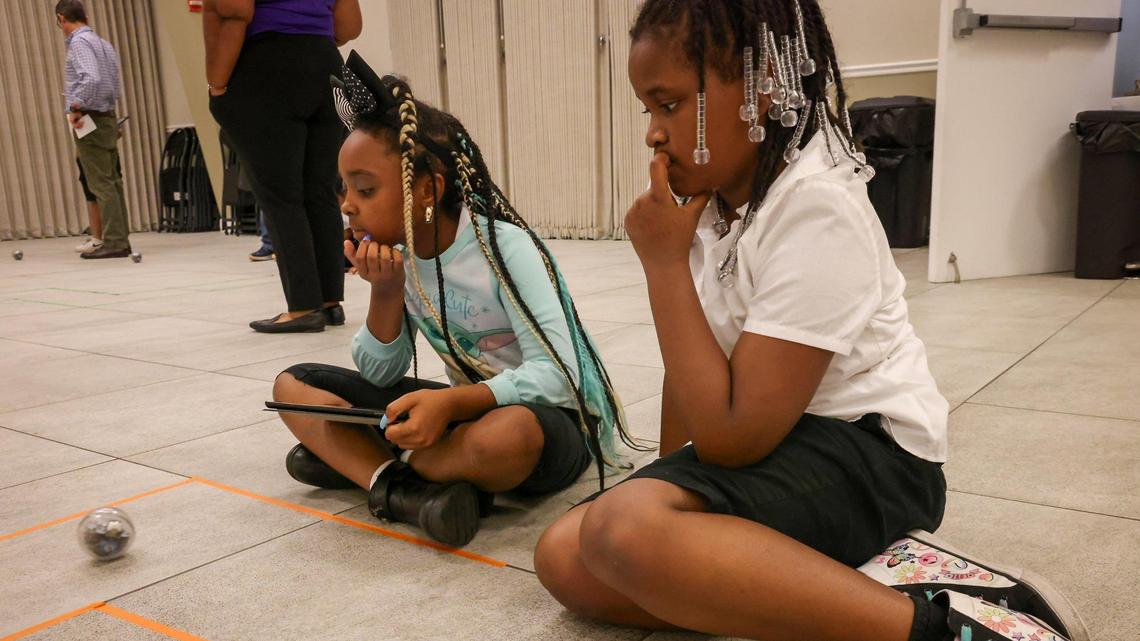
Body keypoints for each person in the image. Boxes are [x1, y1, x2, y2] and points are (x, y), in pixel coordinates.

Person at [533, 3, 1087, 641]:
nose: (654, 135)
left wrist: (664, 269)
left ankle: (946, 628)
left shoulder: (817, 205)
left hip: (873, 456)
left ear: (763, 89)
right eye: (647, 111)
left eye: (671, 105)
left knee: (624, 530)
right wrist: (674, 495)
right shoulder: (714, 208)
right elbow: (690, 371)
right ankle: (848, 588)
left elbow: (732, 439)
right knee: (566, 558)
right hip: (783, 443)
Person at [271, 53, 639, 547]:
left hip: (547, 420)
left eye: (365, 189)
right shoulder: (402, 257)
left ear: (427, 189)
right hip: (460, 414)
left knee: (505, 437)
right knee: (293, 387)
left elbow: (559, 374)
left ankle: (367, 466)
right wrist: (385, 291)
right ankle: (406, 489)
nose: (347, 205)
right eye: (344, 190)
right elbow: (380, 375)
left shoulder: (504, 247)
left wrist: (451, 403)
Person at [203, 0, 362, 332]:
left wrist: (217, 84)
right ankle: (329, 303)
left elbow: (235, 11)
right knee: (320, 190)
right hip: (326, 66)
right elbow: (349, 27)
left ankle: (303, 307)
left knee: (281, 196)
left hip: (267, 64)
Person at [56, 0, 131, 260]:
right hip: (106, 116)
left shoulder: (79, 43)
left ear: (62, 18)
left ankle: (115, 242)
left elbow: (91, 78)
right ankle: (120, 238)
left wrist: (76, 106)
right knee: (113, 181)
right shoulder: (103, 44)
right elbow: (114, 85)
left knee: (101, 183)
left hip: (91, 119)